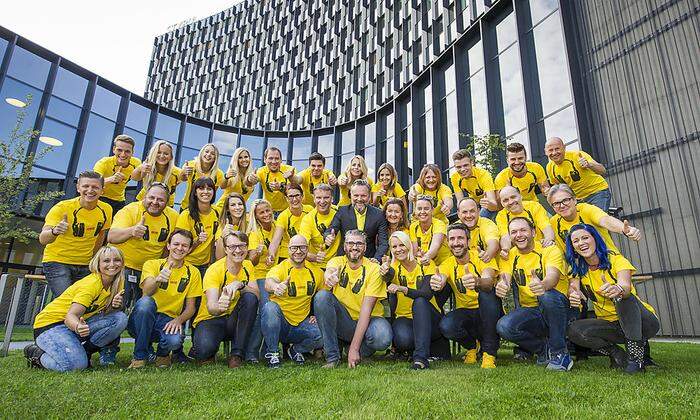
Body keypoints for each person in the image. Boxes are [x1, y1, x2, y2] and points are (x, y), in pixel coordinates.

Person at [565, 224, 659, 373]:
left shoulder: (616, 260)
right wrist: (574, 294)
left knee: (622, 298)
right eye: (575, 241)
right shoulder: (577, 268)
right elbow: (574, 288)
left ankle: (635, 361)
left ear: (595, 239)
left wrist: (618, 289)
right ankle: (617, 355)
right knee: (572, 330)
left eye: (585, 238)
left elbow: (626, 287)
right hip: (611, 325)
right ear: (572, 247)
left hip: (642, 323)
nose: (581, 243)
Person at [24, 246, 128, 372]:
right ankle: (36, 354)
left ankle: (84, 352)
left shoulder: (117, 282)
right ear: (98, 264)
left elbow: (103, 313)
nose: (112, 264)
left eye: (116, 260)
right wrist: (78, 326)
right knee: (75, 367)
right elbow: (70, 316)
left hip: (73, 325)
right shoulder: (91, 284)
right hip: (51, 326)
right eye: (106, 261)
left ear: (122, 262)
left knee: (119, 318)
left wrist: (113, 305)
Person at [494, 217, 573, 371]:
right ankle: (544, 349)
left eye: (523, 230)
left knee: (547, 295)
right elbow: (505, 278)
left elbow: (553, 278)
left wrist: (542, 285)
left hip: (558, 307)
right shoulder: (509, 255)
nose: (519, 235)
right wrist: (501, 285)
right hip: (532, 310)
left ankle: (560, 354)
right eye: (514, 232)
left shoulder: (549, 249)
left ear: (533, 232)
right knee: (504, 326)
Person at [313, 230, 393, 368]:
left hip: (368, 321)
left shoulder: (374, 269)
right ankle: (332, 357)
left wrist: (354, 349)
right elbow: (330, 271)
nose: (354, 247)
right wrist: (329, 276)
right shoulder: (336, 262)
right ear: (344, 246)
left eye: (359, 243)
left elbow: (366, 310)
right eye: (350, 243)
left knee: (383, 336)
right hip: (344, 321)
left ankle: (354, 348)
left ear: (365, 247)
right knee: (322, 297)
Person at [127, 229, 201, 368]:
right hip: (144, 317)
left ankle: (162, 355)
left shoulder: (193, 272)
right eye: (176, 244)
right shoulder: (152, 264)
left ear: (190, 249)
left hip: (168, 320)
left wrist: (178, 320)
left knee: (175, 340)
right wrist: (158, 279)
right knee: (146, 304)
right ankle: (139, 356)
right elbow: (146, 293)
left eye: (184, 246)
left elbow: (191, 308)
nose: (179, 248)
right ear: (168, 245)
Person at [433, 223, 501, 368]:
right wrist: (437, 282)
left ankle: (489, 353)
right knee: (447, 326)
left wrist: (478, 281)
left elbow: (489, 281)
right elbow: (442, 277)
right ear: (448, 243)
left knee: (487, 294)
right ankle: (472, 347)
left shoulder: (482, 257)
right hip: (467, 315)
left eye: (460, 238)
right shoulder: (447, 263)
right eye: (452, 239)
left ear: (468, 241)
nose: (456, 243)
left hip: (488, 314)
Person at [191, 231, 259, 367]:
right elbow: (211, 307)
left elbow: (256, 295)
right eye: (233, 247)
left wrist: (240, 285)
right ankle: (206, 349)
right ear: (226, 249)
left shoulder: (248, 266)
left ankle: (236, 354)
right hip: (211, 319)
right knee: (204, 350)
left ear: (247, 247)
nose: (238, 250)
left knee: (250, 298)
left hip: (234, 319)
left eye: (242, 246)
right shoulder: (214, 270)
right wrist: (220, 306)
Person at [39, 171, 112, 297]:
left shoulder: (106, 209)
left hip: (85, 264)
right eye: (86, 186)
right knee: (66, 300)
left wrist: (94, 260)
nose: (90, 190)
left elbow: (101, 236)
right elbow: (43, 239)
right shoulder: (62, 208)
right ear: (78, 188)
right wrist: (54, 231)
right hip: (58, 261)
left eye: (95, 187)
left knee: (81, 302)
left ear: (102, 190)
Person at [108, 183, 179, 309]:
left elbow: (169, 246)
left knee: (144, 306)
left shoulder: (173, 216)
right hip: (124, 265)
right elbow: (112, 236)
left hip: (150, 269)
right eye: (151, 198)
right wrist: (132, 231)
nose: (155, 202)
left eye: (160, 200)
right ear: (145, 197)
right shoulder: (130, 210)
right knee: (118, 306)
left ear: (167, 202)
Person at [261, 235, 324, 368]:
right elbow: (268, 282)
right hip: (280, 323)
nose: (298, 251)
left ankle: (295, 350)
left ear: (307, 249)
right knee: (269, 308)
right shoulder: (281, 268)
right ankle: (272, 353)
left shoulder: (316, 272)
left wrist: (317, 314)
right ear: (288, 249)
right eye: (294, 248)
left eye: (302, 247)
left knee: (324, 333)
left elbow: (324, 295)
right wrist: (276, 287)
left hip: (301, 323)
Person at [384, 231, 443, 369]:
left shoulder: (425, 263)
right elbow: (386, 277)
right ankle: (417, 349)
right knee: (402, 338)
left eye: (402, 245)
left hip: (430, 320)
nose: (398, 249)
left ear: (409, 245)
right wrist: (384, 270)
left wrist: (403, 289)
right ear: (391, 250)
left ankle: (420, 359)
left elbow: (427, 294)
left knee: (420, 301)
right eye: (394, 247)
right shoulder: (392, 269)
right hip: (405, 318)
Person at [547, 184, 641, 252]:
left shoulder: (586, 209)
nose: (562, 206)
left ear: (574, 200)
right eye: (556, 203)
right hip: (580, 272)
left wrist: (624, 229)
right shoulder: (553, 223)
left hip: (608, 263)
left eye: (565, 200)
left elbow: (605, 220)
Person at [244, 199, 277, 361]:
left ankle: (266, 349)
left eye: (267, 210)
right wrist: (257, 253)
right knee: (265, 311)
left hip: (276, 275)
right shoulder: (254, 233)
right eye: (261, 212)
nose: (266, 214)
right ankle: (251, 351)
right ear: (256, 216)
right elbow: (251, 262)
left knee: (272, 312)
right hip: (260, 276)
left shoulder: (278, 227)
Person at [325, 179, 389, 263]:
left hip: (369, 261)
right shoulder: (342, 211)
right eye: (356, 195)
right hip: (345, 259)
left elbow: (383, 243)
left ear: (369, 196)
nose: (359, 199)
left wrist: (377, 258)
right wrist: (328, 236)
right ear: (351, 195)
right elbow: (331, 229)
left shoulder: (379, 214)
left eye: (363, 196)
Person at [544, 137, 610, 210]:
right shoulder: (549, 167)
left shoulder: (577, 155)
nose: (554, 153)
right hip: (577, 200)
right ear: (546, 152)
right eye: (550, 150)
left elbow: (603, 170)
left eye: (557, 149)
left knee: (597, 219)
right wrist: (549, 191)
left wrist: (589, 165)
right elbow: (558, 187)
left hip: (597, 193)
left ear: (564, 148)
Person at [176, 178, 220, 277]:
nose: (205, 192)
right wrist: (197, 241)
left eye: (209, 189)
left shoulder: (217, 212)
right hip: (185, 263)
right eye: (201, 188)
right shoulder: (186, 215)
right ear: (195, 192)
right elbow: (179, 247)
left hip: (206, 266)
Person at [496, 186, 555, 258]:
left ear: (520, 196)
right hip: (520, 252)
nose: (510, 202)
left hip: (540, 247)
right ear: (501, 203)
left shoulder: (534, 206)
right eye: (505, 200)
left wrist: (549, 239)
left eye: (513, 197)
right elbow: (505, 236)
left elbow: (546, 227)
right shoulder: (501, 216)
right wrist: (506, 249)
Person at [93, 134, 141, 214]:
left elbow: (138, 178)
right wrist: (111, 179)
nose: (123, 154)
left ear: (132, 152)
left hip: (119, 200)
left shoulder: (136, 163)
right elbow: (93, 182)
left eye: (127, 151)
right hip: (101, 197)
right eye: (119, 150)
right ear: (114, 149)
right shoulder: (103, 163)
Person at [268, 184, 313, 266]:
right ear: (286, 198)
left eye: (297, 195)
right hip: (288, 255)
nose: (295, 199)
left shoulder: (310, 210)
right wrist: (271, 255)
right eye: (291, 196)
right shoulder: (283, 216)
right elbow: (275, 241)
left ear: (302, 196)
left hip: (306, 253)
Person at [298, 184, 340, 269]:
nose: (322, 201)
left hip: (337, 264)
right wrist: (315, 257)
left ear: (332, 199)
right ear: (314, 199)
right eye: (318, 198)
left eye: (326, 197)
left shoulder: (339, 212)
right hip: (316, 266)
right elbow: (301, 247)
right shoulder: (308, 219)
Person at [132, 140, 185, 207]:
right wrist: (140, 168)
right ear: (154, 153)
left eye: (166, 154)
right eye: (159, 152)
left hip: (166, 205)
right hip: (143, 201)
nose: (162, 156)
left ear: (171, 157)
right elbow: (134, 178)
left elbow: (184, 178)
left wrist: (185, 172)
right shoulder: (147, 166)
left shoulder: (176, 172)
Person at [450, 149, 498, 219]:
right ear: (455, 166)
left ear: (472, 163)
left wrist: (487, 203)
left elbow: (493, 203)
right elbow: (460, 201)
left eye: (465, 165)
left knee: (479, 218)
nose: (462, 169)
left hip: (489, 204)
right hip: (475, 203)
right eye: (458, 167)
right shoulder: (455, 177)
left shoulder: (483, 175)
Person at [249, 147, 299, 214]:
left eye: (277, 158)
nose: (274, 161)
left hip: (288, 210)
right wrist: (250, 179)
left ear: (281, 160)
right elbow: (250, 183)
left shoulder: (289, 170)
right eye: (270, 158)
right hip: (269, 211)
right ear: (265, 160)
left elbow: (296, 187)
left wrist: (281, 187)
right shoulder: (261, 171)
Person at [180, 143, 226, 211]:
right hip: (186, 206)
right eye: (206, 151)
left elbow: (211, 195)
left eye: (212, 154)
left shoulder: (218, 174)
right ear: (201, 153)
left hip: (203, 209)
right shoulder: (190, 165)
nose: (209, 154)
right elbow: (182, 178)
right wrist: (184, 172)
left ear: (215, 158)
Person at [409, 196, 451, 266]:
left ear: (432, 210)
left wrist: (427, 256)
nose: (422, 212)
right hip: (425, 265)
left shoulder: (439, 224)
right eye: (419, 209)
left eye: (426, 208)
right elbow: (415, 251)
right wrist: (418, 255)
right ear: (415, 211)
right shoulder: (413, 226)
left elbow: (436, 245)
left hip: (443, 264)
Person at [457, 198, 500, 263]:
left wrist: (487, 255)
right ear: (458, 214)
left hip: (487, 264)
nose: (468, 215)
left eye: (472, 211)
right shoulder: (455, 228)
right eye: (464, 212)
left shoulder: (487, 224)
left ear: (478, 211)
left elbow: (493, 243)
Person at [214, 192, 249, 260]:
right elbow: (219, 257)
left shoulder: (249, 223)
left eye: (240, 204)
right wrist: (223, 235)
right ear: (227, 209)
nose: (237, 207)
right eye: (233, 205)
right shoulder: (223, 226)